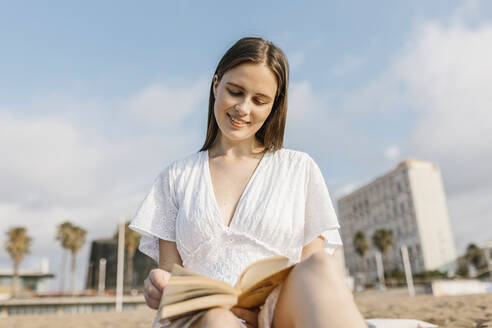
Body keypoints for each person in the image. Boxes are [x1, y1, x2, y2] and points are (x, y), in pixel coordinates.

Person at [129, 37, 367, 328]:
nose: (243, 108)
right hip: (202, 317)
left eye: (259, 100)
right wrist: (158, 283)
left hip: (277, 313)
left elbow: (309, 264)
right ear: (216, 85)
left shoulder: (299, 168)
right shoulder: (176, 177)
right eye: (235, 92)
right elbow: (169, 272)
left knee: (320, 266)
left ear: (274, 105)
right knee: (218, 321)